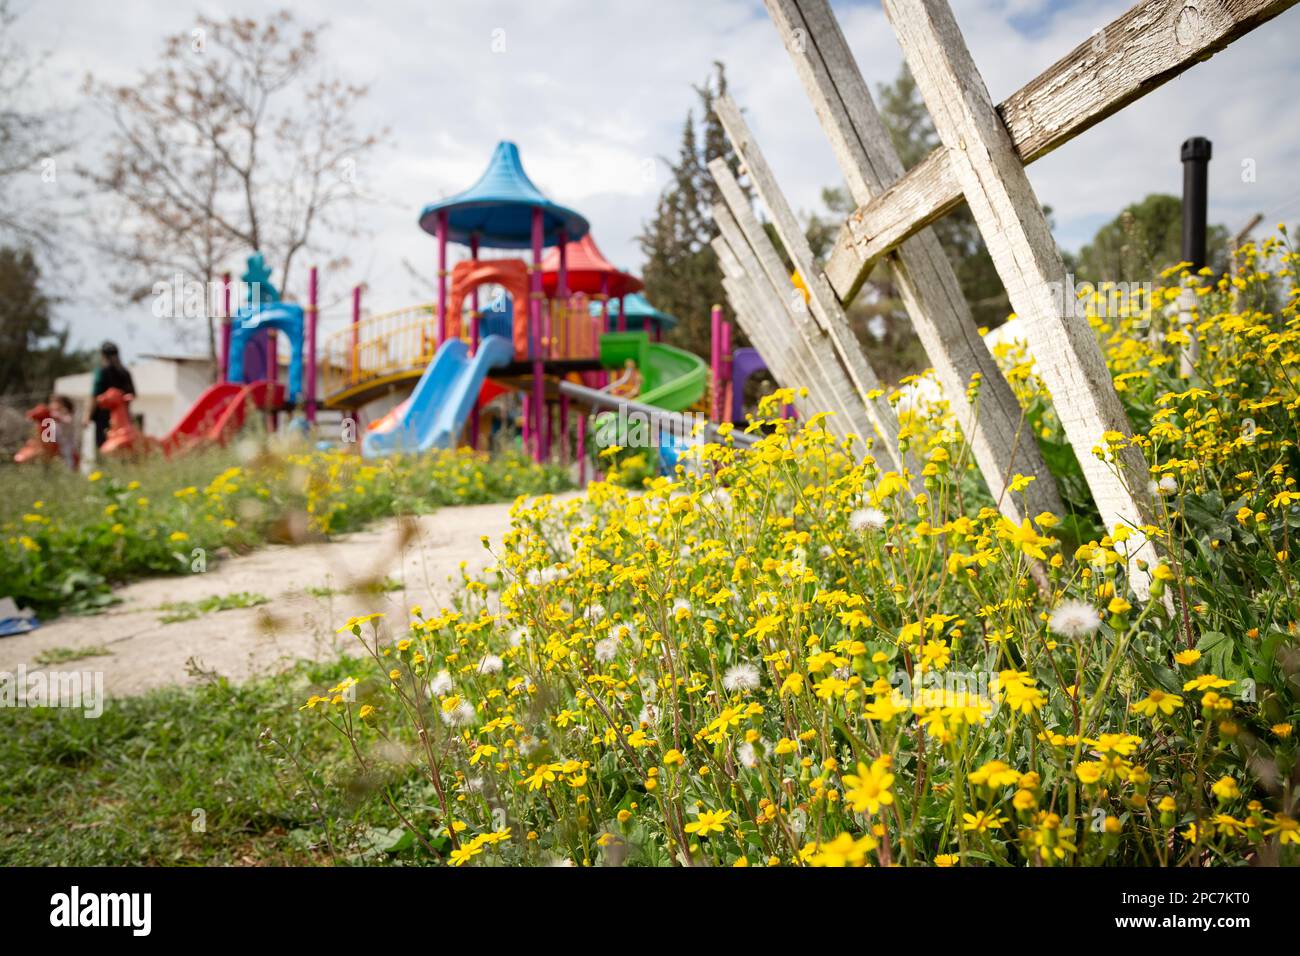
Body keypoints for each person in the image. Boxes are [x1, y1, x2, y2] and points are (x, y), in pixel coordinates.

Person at [89, 341, 136, 451]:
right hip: (124, 419)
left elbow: (95, 395)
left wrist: (88, 415)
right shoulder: (125, 372)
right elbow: (132, 394)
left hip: (103, 417)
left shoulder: (102, 372)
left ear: (103, 355)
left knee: (103, 447)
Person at [48, 394, 79, 470]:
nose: (53, 405)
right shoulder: (50, 419)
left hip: (66, 451)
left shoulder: (67, 416)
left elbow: (67, 420)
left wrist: (57, 415)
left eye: (56, 402)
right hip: (55, 450)